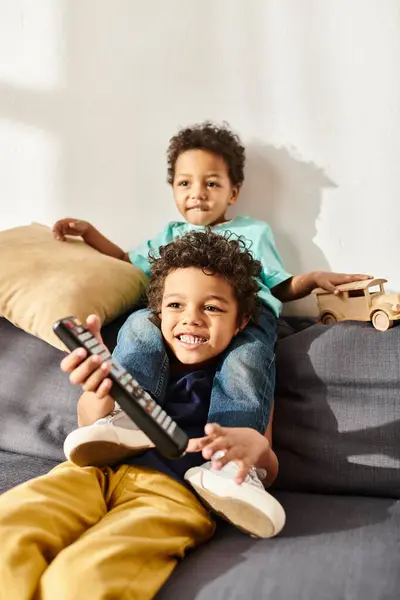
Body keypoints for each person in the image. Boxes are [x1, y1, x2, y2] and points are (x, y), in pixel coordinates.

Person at [53, 121, 370, 514]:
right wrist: (89, 231)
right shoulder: (169, 234)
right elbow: (125, 261)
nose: (197, 193)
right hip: (144, 389)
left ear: (233, 191)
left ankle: (230, 463)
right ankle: (130, 416)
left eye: (212, 184)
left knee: (246, 359)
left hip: (250, 318)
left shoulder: (253, 231)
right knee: (137, 323)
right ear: (172, 190)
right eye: (185, 184)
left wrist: (314, 280)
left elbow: (278, 283)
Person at [0, 230, 286, 600]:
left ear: (242, 321)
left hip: (174, 494)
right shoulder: (143, 358)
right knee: (9, 533)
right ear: (159, 310)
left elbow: (268, 464)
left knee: (82, 580)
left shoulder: (246, 376)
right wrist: (98, 387)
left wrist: (255, 448)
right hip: (93, 473)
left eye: (212, 308)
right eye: (175, 306)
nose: (191, 319)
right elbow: (90, 424)